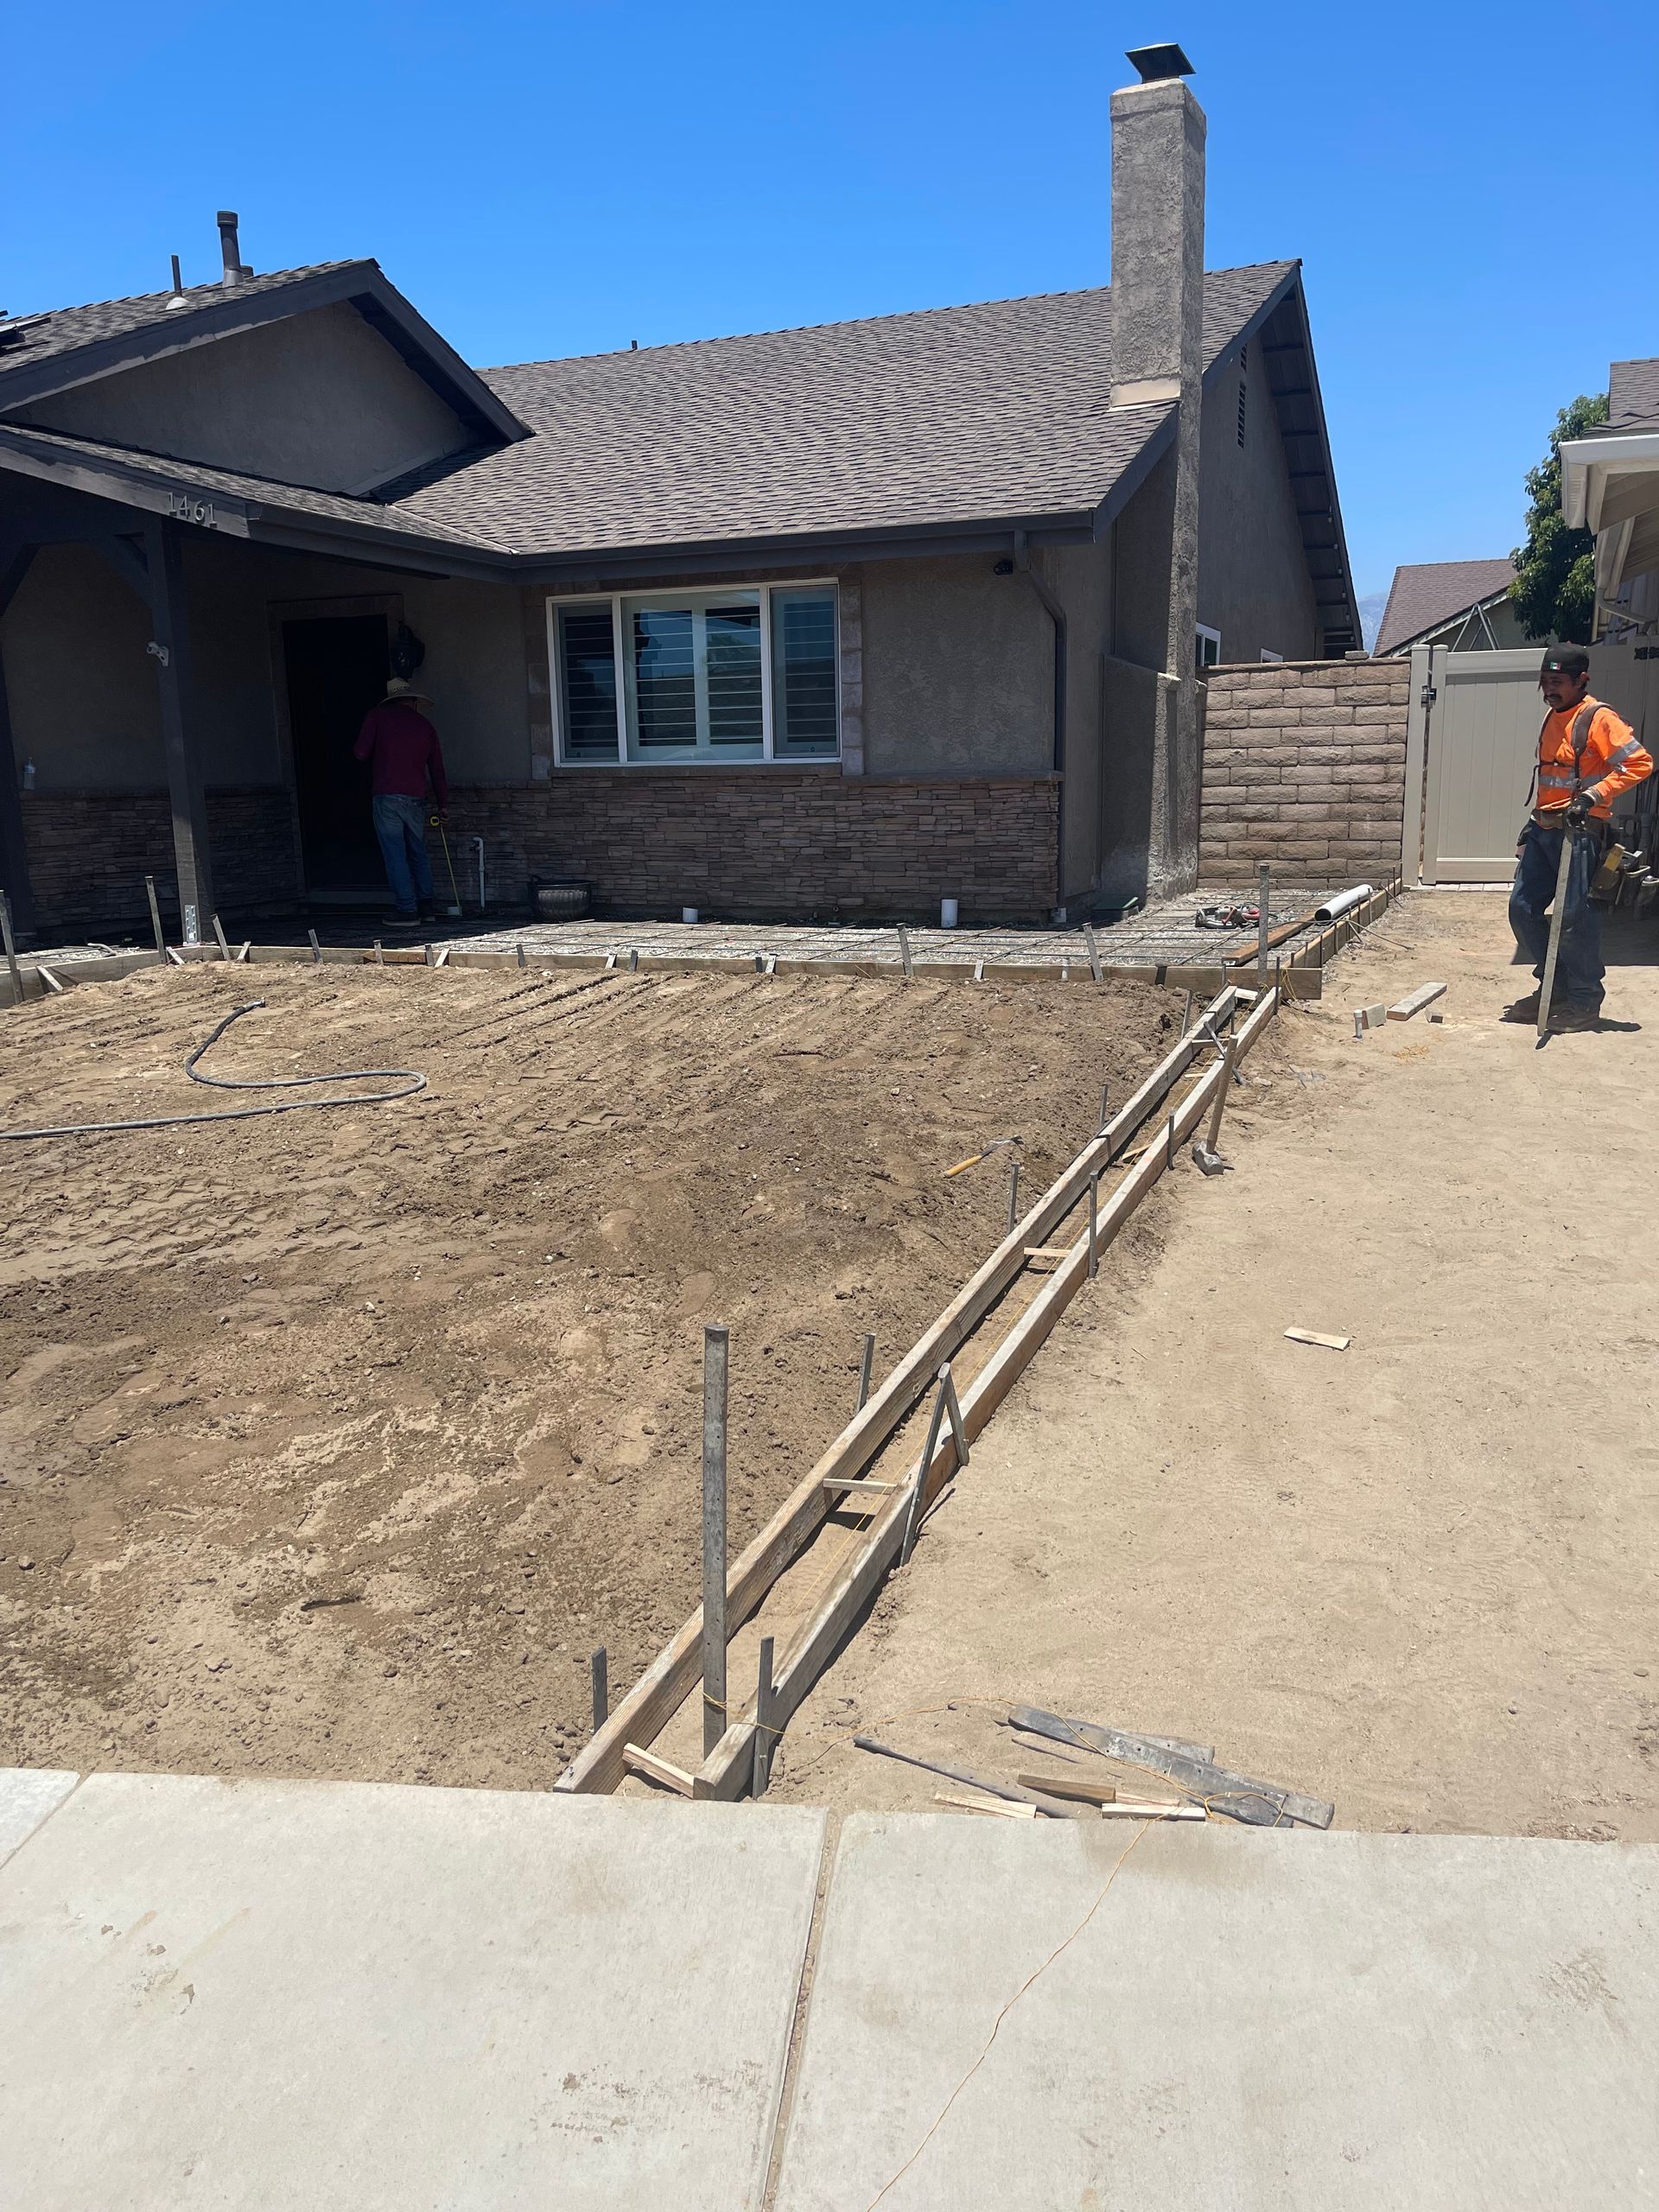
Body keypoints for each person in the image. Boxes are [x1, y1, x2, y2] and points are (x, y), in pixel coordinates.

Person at [1505, 646, 1651, 1030]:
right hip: (1545, 828)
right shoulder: (1552, 716)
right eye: (1545, 681)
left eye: (1558, 682)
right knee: (1521, 908)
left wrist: (1591, 797)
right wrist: (1532, 821)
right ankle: (1554, 987)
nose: (1549, 689)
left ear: (1580, 681)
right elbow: (1553, 778)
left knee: (1573, 919)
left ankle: (1584, 1001)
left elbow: (1640, 763)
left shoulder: (1598, 718)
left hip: (1582, 832)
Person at [353, 677, 449, 931]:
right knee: (417, 850)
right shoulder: (425, 726)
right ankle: (427, 906)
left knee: (395, 853)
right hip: (416, 797)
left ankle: (407, 909)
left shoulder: (377, 717)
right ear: (414, 701)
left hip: (387, 794)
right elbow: (437, 769)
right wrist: (443, 804)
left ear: (391, 700)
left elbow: (361, 753)